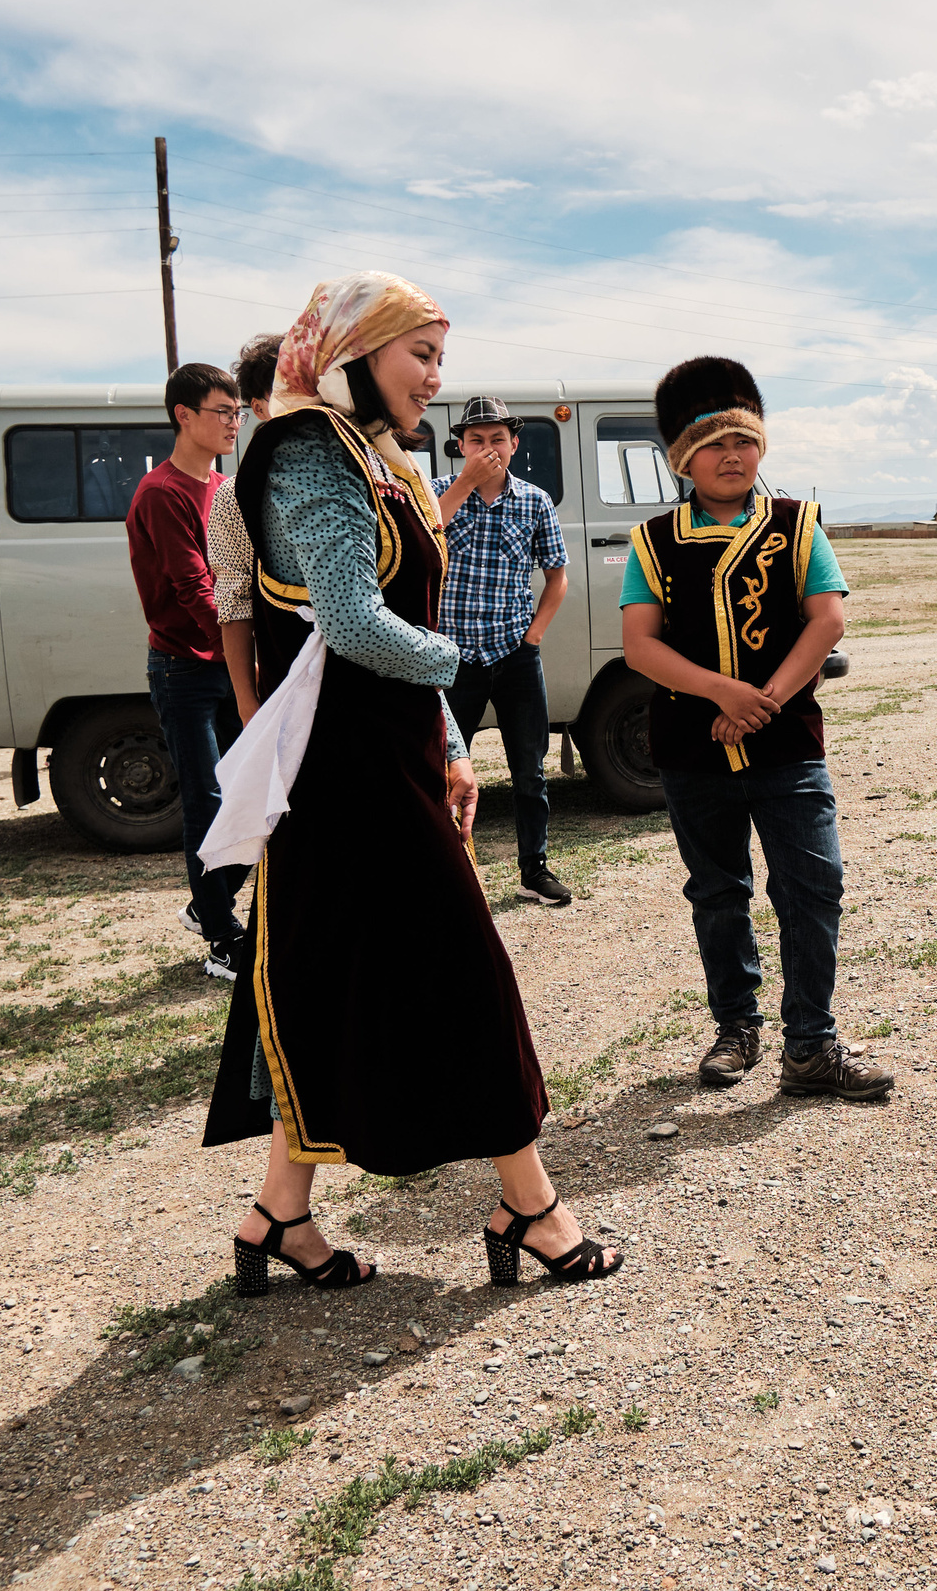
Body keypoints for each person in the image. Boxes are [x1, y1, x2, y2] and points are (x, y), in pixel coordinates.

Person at [202, 270, 620, 1291]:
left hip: (384, 754)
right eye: (420, 356)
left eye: (440, 358)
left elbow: (394, 616)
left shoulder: (366, 451)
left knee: (332, 976)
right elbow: (350, 622)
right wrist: (458, 674)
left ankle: (276, 1217)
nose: (436, 380)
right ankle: (532, 1206)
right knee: (461, 971)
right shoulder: (304, 451)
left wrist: (447, 740)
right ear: (353, 353)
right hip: (346, 772)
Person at [618, 357, 882, 1099]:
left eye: (744, 441)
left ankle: (812, 1042)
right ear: (684, 458)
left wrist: (761, 700)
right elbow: (641, 643)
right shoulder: (654, 540)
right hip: (692, 750)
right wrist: (722, 694)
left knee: (812, 885)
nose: (732, 456)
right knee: (717, 890)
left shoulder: (797, 525)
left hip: (786, 742)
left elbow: (827, 619)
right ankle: (737, 1027)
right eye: (712, 444)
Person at [127, 361, 251, 980]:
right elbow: (194, 588)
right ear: (184, 416)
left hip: (226, 664)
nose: (234, 423)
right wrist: (244, 655)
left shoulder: (223, 487)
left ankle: (208, 903)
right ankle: (221, 935)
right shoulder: (163, 492)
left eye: (238, 412)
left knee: (256, 788)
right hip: (183, 669)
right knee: (206, 797)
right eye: (222, 412)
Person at [433, 396, 575, 907]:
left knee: (529, 770)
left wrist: (533, 636)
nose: (487, 448)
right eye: (476, 440)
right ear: (459, 447)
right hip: (452, 657)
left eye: (497, 439)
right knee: (444, 767)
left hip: (515, 653)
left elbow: (557, 577)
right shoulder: (437, 492)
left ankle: (534, 870)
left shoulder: (535, 501)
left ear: (515, 444)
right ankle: (445, 871)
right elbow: (425, 541)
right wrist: (466, 483)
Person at [207, 332, 283, 728]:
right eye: (286, 388)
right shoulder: (235, 496)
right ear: (259, 407)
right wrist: (247, 702)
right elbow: (234, 603)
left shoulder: (365, 472)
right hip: (287, 684)